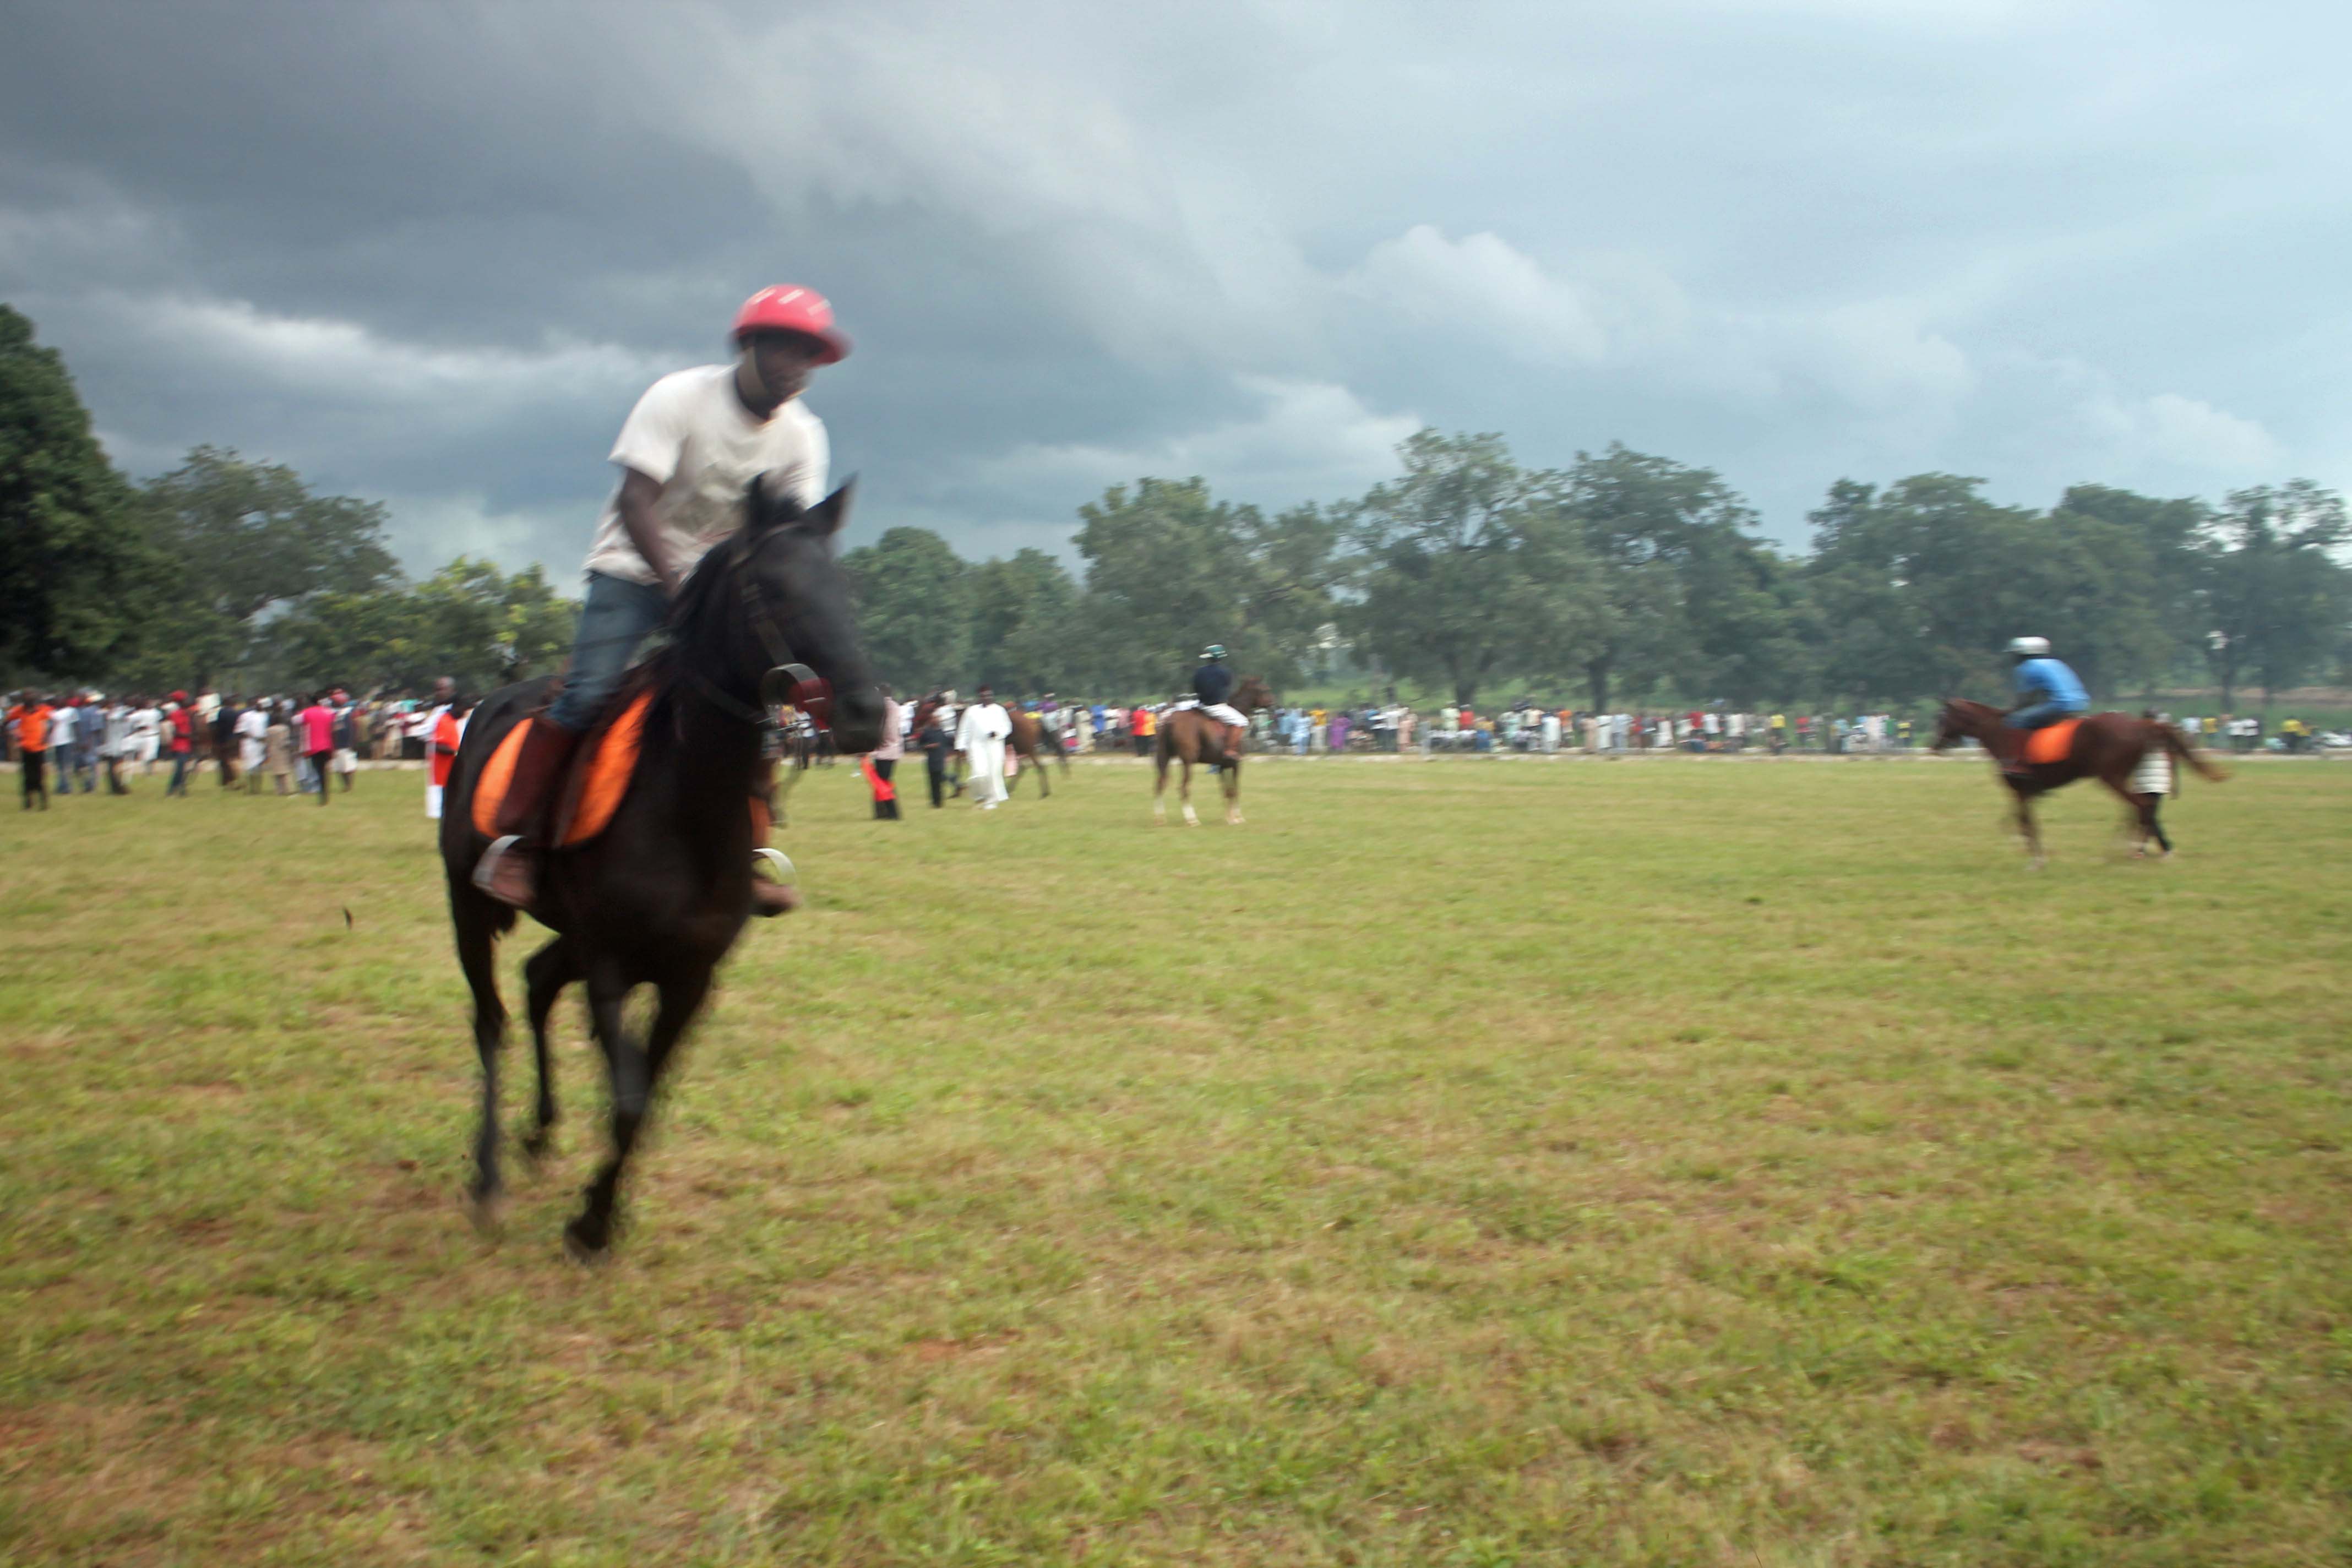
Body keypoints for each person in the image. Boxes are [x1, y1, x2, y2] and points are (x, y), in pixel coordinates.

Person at [473, 284, 847, 913]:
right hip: (633, 570)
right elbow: (635, 500)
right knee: (586, 696)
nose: (800, 367)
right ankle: (519, 842)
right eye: (788, 349)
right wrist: (677, 588)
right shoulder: (679, 398)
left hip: (721, 592)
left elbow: (789, 539)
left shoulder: (803, 437)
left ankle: (748, 851)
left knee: (760, 712)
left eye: (811, 355)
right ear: (750, 345)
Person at [2001, 635, 2090, 777]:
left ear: (2023, 654)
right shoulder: (2056, 663)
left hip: (2060, 705)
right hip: (2080, 703)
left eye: (2015, 654)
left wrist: (2013, 711)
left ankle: (2020, 763)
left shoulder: (2026, 667)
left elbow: (2026, 699)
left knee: (2016, 720)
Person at [957, 685, 1011, 808]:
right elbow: (964, 730)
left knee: (993, 773)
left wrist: (998, 733)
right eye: (984, 696)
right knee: (979, 772)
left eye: (989, 695)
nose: (987, 698)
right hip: (976, 746)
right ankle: (979, 795)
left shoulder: (999, 710)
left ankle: (991, 801)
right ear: (980, 697)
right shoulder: (971, 711)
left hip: (994, 745)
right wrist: (961, 746)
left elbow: (1007, 727)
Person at [8, 692, 52, 809]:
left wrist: (46, 736)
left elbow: (51, 721)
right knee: (27, 777)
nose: (30, 705)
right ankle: (28, 803)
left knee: (39, 776)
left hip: (39, 748)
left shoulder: (42, 711)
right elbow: (8, 721)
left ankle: (44, 803)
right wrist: (15, 733)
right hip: (26, 748)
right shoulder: (19, 711)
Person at [297, 693, 335, 807]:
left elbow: (296, 722)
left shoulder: (306, 713)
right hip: (327, 746)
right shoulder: (329, 712)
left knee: (319, 771)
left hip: (313, 747)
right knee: (324, 771)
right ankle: (325, 794)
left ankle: (322, 796)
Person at [916, 703, 954, 809]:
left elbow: (948, 744)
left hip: (940, 760)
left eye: (937, 718)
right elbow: (920, 746)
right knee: (932, 782)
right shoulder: (927, 733)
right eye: (933, 718)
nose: (936, 720)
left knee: (940, 781)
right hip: (931, 761)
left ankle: (939, 802)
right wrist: (929, 746)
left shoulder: (942, 732)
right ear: (930, 720)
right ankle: (934, 801)